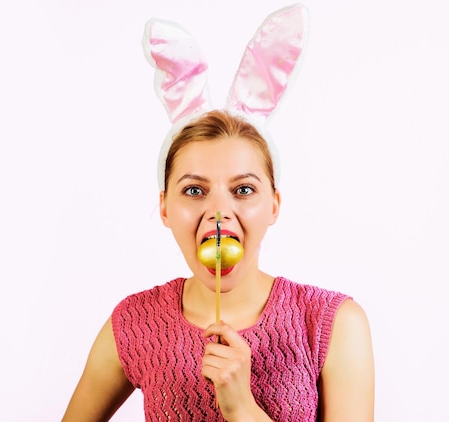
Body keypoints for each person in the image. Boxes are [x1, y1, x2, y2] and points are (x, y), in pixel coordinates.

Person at [63, 5, 374, 422]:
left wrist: (242, 407)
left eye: (243, 189)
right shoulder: (133, 324)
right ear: (165, 208)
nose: (218, 213)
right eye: (194, 190)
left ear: (274, 205)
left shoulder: (334, 324)